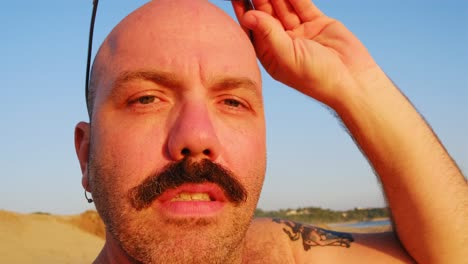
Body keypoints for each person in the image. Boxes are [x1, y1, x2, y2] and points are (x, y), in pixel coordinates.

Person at [74, 0, 467, 263]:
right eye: (146, 99)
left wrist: (355, 85)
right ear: (85, 153)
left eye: (232, 102)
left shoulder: (280, 252)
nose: (197, 137)